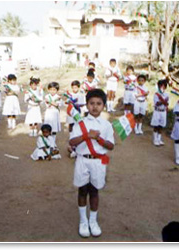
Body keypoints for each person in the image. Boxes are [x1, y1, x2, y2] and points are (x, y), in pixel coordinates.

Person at [69, 89, 115, 238]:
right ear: (87, 105)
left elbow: (111, 146)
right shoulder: (80, 123)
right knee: (82, 190)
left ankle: (93, 221)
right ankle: (83, 221)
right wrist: (86, 136)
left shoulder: (106, 125)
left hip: (98, 162)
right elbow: (72, 142)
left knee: (94, 191)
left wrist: (99, 139)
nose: (95, 107)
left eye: (99, 104)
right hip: (83, 160)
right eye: (91, 103)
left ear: (104, 106)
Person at [65, 80, 86, 158]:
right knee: (71, 124)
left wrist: (76, 104)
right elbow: (66, 102)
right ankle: (71, 136)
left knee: (78, 125)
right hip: (71, 112)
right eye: (73, 87)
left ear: (78, 87)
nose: (74, 89)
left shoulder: (81, 95)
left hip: (77, 112)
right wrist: (69, 101)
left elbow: (83, 103)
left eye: (76, 87)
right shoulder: (70, 95)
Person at [151, 79, 169, 146]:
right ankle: (155, 139)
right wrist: (163, 101)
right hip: (157, 111)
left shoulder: (167, 94)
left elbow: (167, 103)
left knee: (161, 125)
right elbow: (157, 103)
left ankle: (159, 139)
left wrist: (164, 103)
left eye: (164, 86)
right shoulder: (156, 94)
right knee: (156, 125)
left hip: (163, 111)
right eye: (161, 86)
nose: (162, 87)